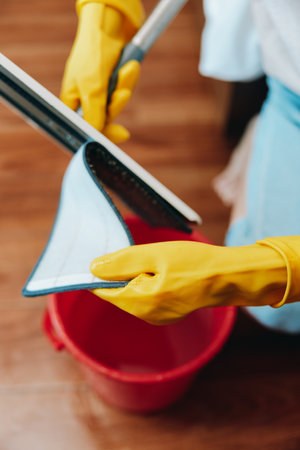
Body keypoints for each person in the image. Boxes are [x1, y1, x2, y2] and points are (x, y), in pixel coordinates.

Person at [61, 0, 300, 331]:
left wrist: (272, 270)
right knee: (271, 309)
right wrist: (105, 15)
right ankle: (269, 127)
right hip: (293, 85)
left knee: (283, 311)